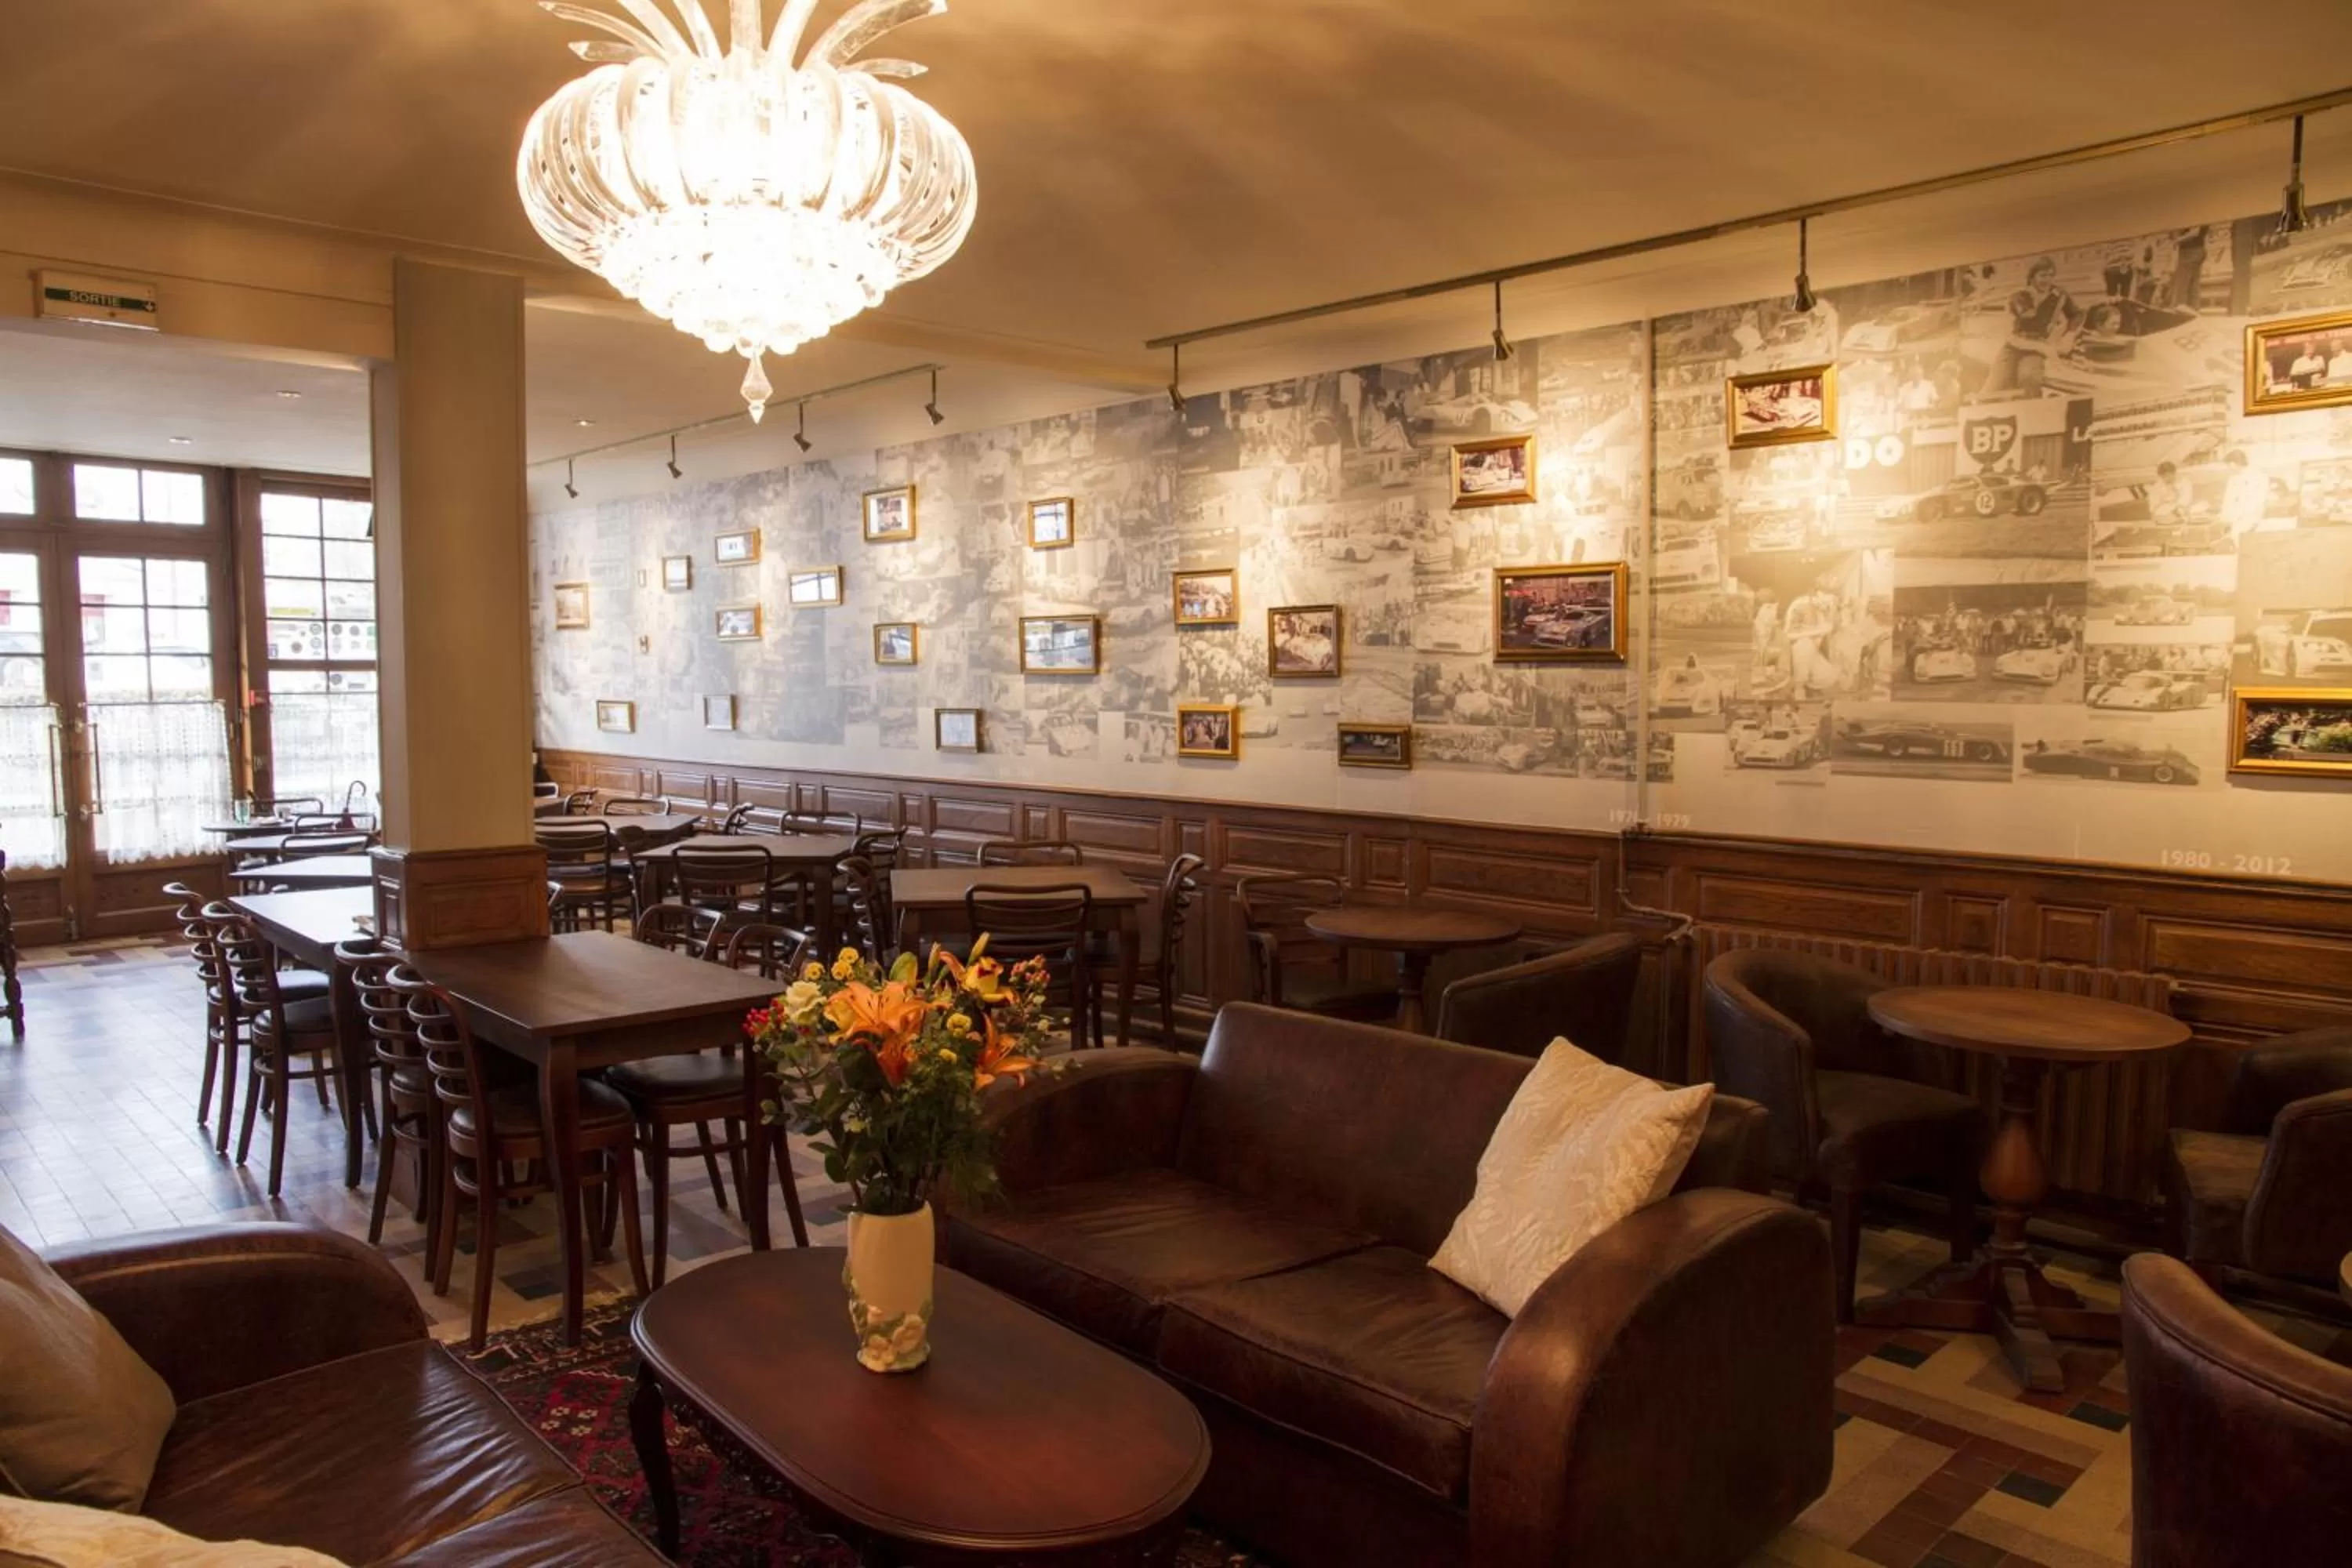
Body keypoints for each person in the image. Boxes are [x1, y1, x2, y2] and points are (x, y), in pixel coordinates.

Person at [1984, 257, 2082, 397]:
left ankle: (2029, 412)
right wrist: (2046, 349)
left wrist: (2069, 335)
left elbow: (2077, 315)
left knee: (2029, 378)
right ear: (2032, 277)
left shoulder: (2059, 295)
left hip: (2038, 346)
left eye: (2051, 275)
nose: (2047, 280)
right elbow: (2013, 334)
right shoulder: (2020, 297)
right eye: (2043, 276)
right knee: (1997, 381)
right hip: (2014, 345)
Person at [2220, 448, 2276, 539]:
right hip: (2238, 517)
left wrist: (2234, 517)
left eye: (2228, 465)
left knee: (2236, 534)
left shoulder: (2257, 477)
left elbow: (2255, 502)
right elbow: (2228, 500)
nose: (2228, 468)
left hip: (2251, 517)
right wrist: (2225, 516)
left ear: (2233, 464)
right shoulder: (2234, 478)